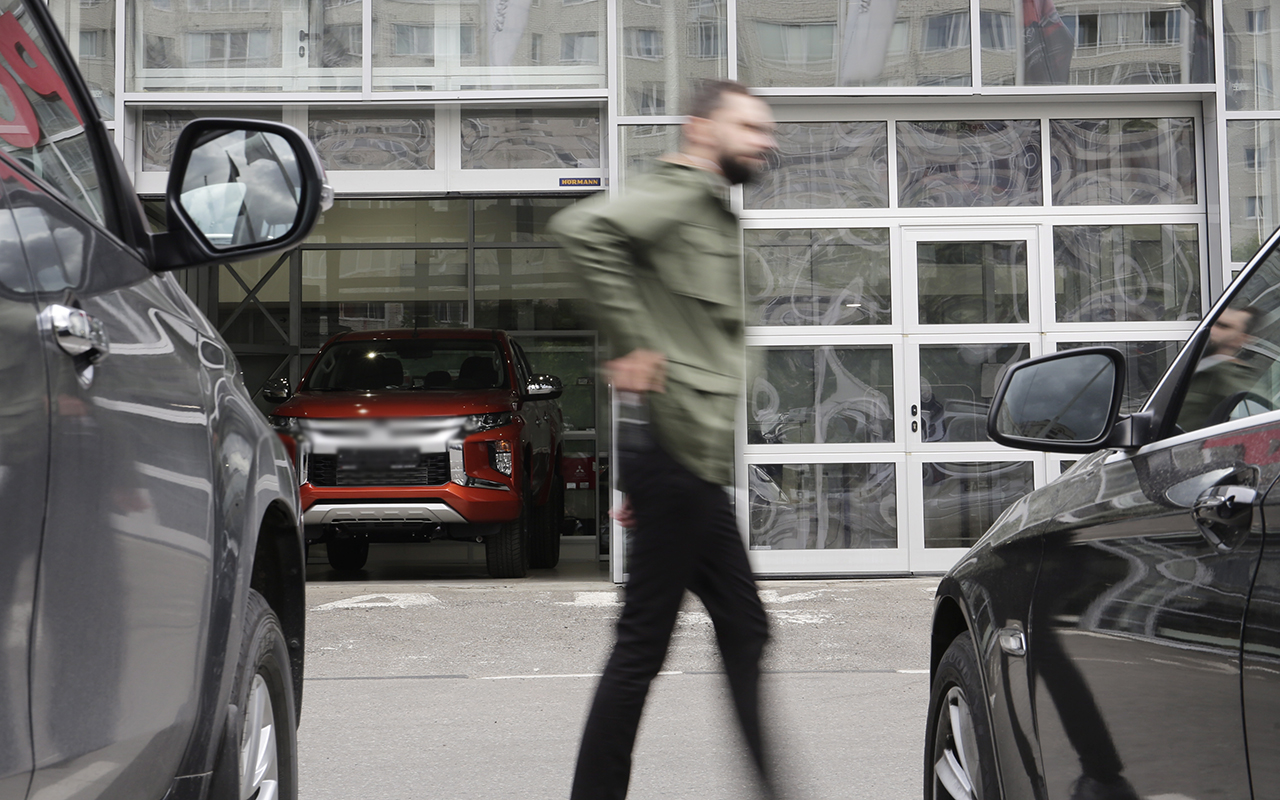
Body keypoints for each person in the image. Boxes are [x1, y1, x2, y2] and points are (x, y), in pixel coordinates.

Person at [550, 80, 781, 800]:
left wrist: (636, 477)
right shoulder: (677, 196)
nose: (764, 141)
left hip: (683, 462)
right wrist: (633, 340)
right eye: (749, 127)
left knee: (743, 626)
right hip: (676, 456)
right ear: (702, 129)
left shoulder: (708, 210)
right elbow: (582, 230)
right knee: (643, 646)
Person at [1178, 305, 1261, 431]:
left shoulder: (1235, 377)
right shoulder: (1196, 365)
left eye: (1223, 326)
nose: (1212, 330)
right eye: (1213, 323)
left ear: (1241, 339)